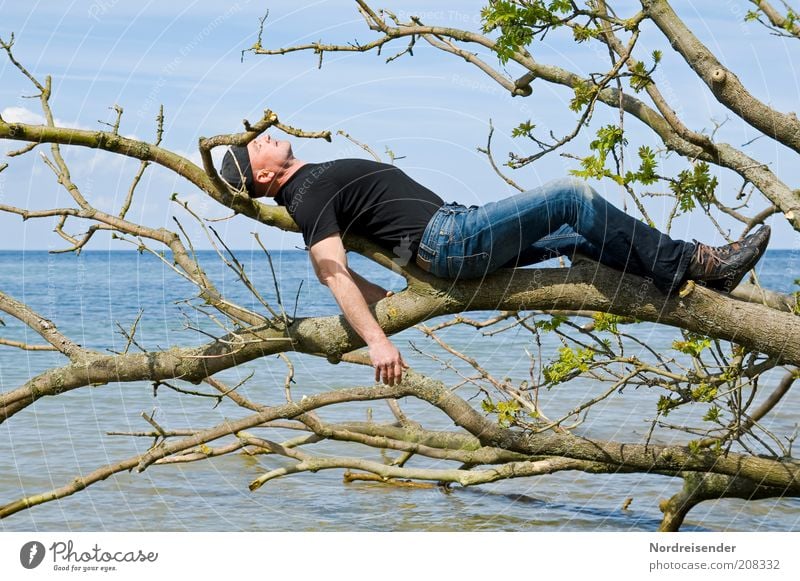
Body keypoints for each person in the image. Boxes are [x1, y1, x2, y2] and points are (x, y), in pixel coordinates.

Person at [220, 134, 771, 386]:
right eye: (253, 145)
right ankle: (698, 263)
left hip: (457, 231)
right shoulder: (306, 195)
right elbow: (329, 268)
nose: (260, 136)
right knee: (569, 197)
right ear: (263, 176)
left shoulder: (309, 184)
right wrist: (377, 337)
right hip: (453, 240)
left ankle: (677, 280)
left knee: (571, 234)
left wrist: (384, 296)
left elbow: (346, 264)